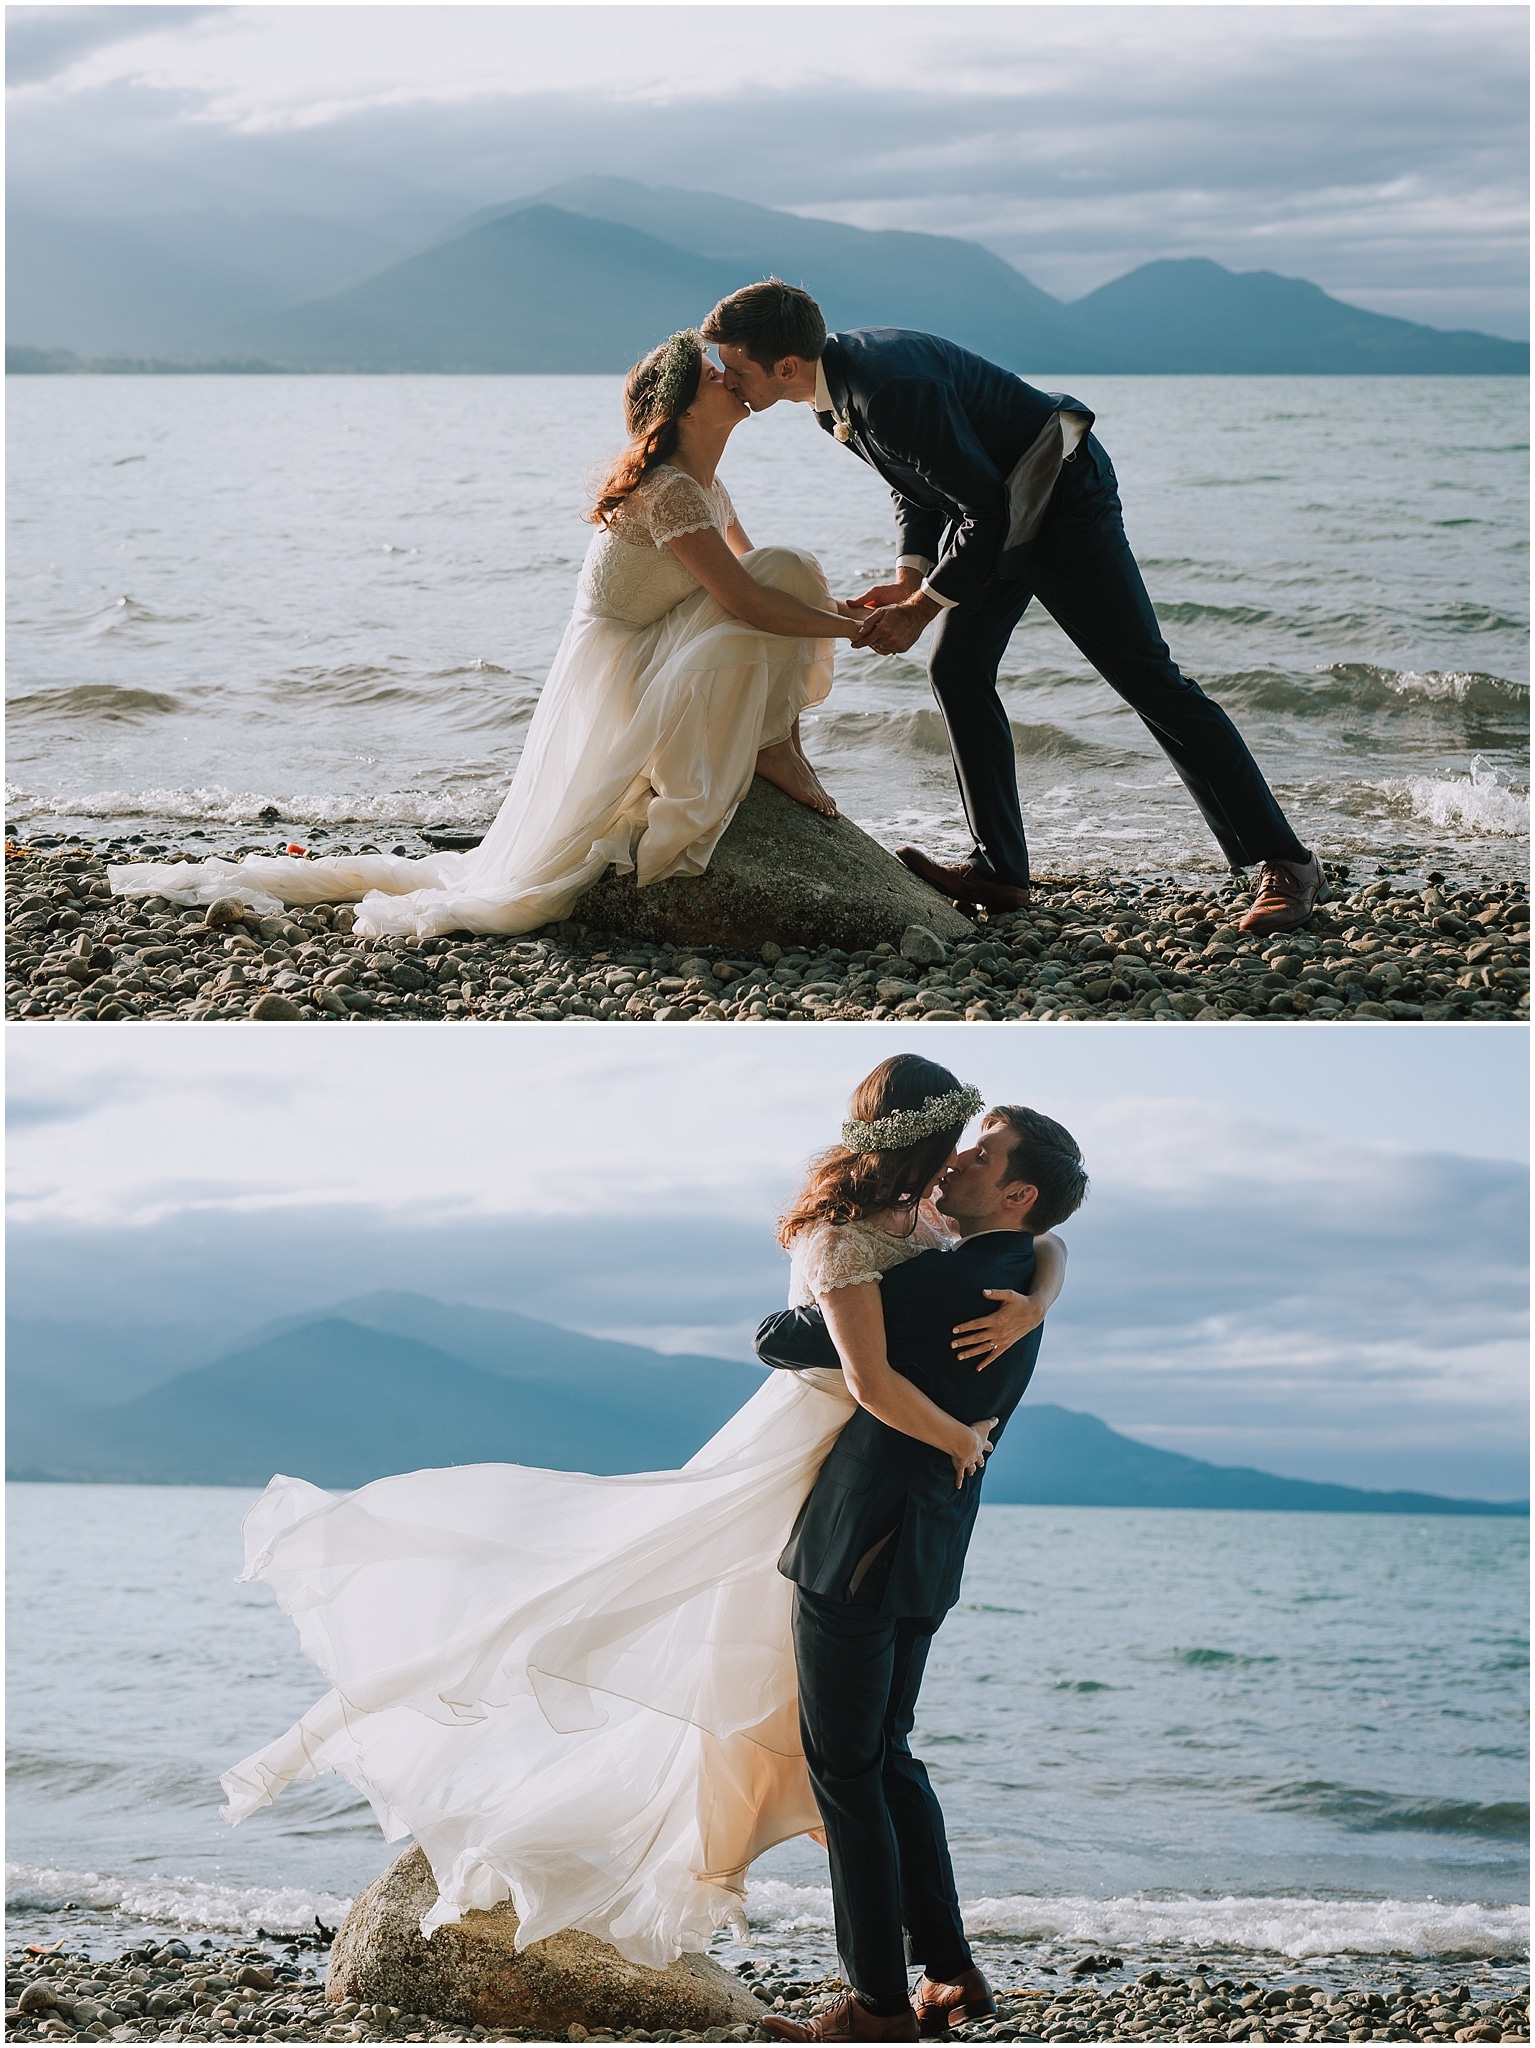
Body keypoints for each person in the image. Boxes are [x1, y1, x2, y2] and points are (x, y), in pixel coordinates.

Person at [218, 1057, 1069, 1972]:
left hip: (858, 1492)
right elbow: (861, 1372)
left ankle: (900, 1983)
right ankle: (919, 1969)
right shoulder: (850, 1234)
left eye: (978, 1153)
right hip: (821, 1452)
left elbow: (1043, 1242)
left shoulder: (946, 1231)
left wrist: (1036, 1303)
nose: (960, 1163)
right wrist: (953, 1434)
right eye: (959, 1143)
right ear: (924, 1139)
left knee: (845, 1746)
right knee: (702, 1632)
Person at [106, 331, 861, 938]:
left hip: (653, 650)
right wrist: (859, 632)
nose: (732, 377)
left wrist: (847, 613)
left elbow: (762, 588)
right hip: (622, 678)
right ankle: (772, 748)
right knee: (788, 569)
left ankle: (776, 744)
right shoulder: (666, 492)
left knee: (789, 567)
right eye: (713, 374)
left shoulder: (705, 484)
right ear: (685, 411)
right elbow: (749, 601)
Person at [700, 280, 1322, 937]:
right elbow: (918, 486)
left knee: (1146, 677)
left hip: (1059, 496)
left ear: (786, 367)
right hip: (998, 507)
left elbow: (983, 512)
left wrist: (920, 609)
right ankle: (999, 871)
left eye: (736, 368)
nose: (727, 378)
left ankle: (1287, 860)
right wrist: (908, 576)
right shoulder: (832, 399)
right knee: (957, 671)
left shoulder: (889, 386)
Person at [752, 1100, 1089, 2045]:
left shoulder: (947, 1290)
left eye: (977, 1155)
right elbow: (1053, 1251)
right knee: (888, 1756)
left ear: (1016, 1193)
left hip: (861, 1543)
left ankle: (876, 2007)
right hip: (929, 1547)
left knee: (848, 1776)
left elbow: (782, 1336)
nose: (954, 1162)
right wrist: (1050, 1285)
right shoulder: (1012, 1274)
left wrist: (843, 1262)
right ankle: (950, 1971)